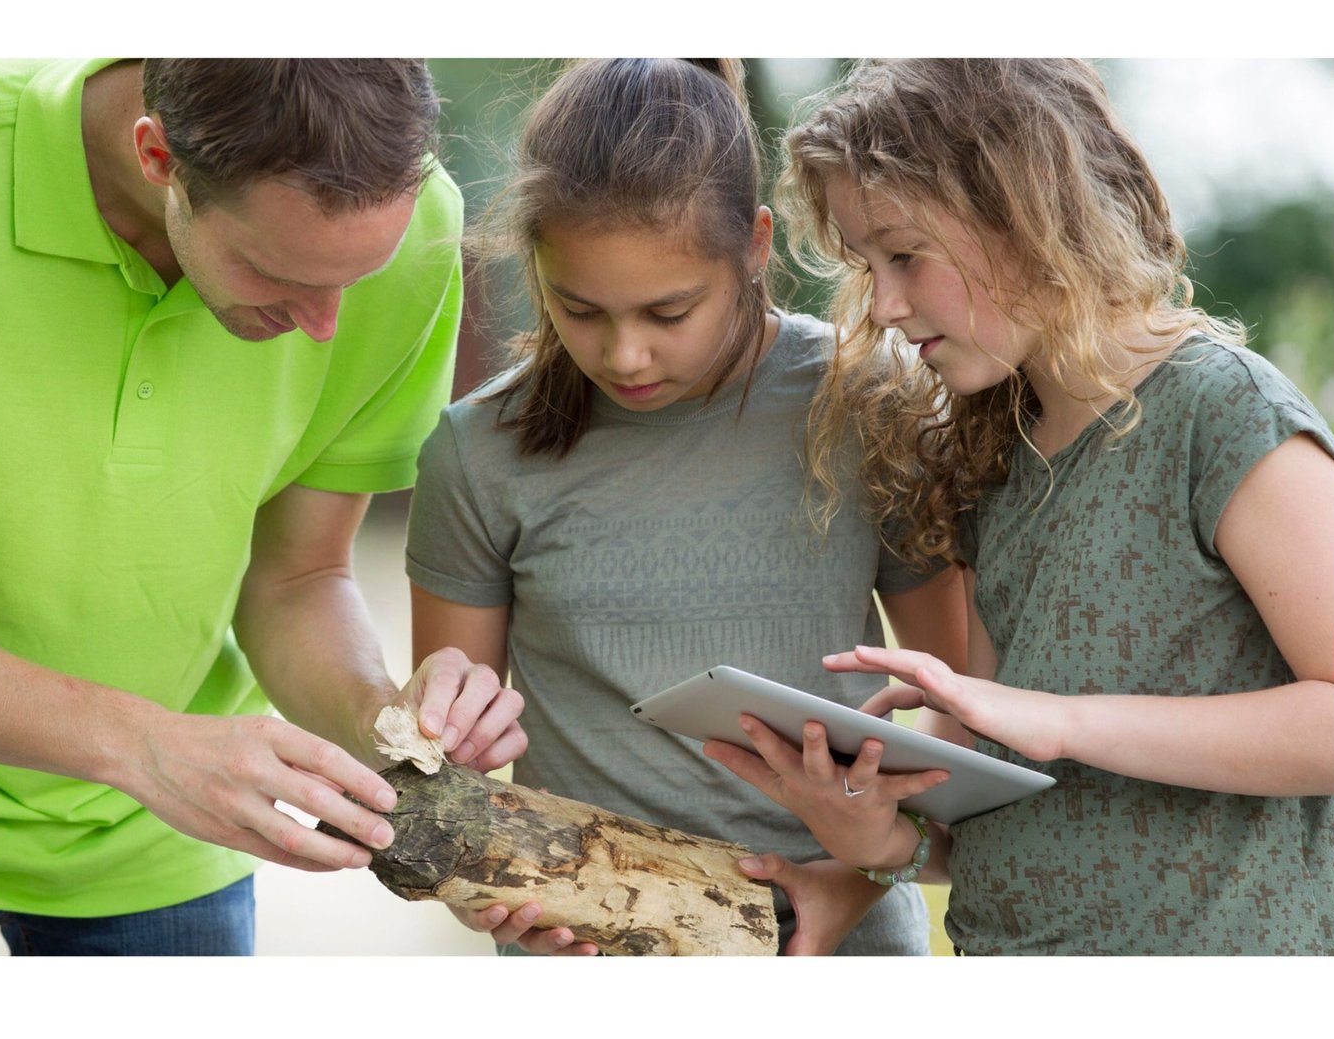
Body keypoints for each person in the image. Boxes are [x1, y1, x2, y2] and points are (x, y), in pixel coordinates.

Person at [0, 58, 526, 956]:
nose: (326, 325)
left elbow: (299, 577)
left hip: (163, 845)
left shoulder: (411, 225)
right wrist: (145, 745)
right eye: (277, 272)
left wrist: (390, 727)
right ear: (158, 155)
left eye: (356, 279)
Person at [707, 57, 1334, 955]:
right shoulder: (992, 455)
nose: (884, 304)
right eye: (867, 263)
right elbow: (974, 820)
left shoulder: (1221, 410)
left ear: (1026, 213)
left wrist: (1061, 720)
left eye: (906, 255)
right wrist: (865, 837)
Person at [404, 58, 967, 956]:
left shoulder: (869, 400)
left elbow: (961, 691)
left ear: (755, 246)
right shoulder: (480, 450)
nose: (624, 355)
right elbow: (449, 761)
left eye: (669, 312)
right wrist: (484, 880)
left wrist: (860, 877)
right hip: (582, 943)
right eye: (578, 309)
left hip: (834, 935)